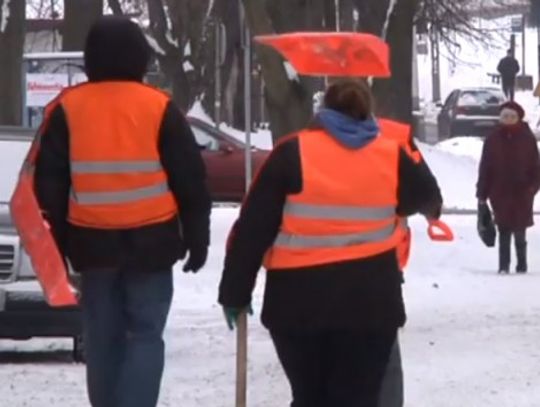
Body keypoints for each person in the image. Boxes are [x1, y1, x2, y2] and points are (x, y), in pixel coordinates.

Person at [218, 79, 442, 406]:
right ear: (368, 111)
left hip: (297, 305)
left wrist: (235, 293)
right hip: (371, 304)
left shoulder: (291, 152)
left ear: (323, 112)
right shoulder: (389, 154)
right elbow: (430, 200)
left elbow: (252, 229)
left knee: (309, 397)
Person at [34, 17, 211, 407]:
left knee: (100, 338)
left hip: (92, 246)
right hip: (153, 243)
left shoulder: (69, 109)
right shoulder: (159, 107)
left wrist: (59, 246)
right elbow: (191, 179)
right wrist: (198, 237)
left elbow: (50, 184)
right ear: (140, 58)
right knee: (146, 334)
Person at [477, 101, 540, 274]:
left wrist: (532, 188)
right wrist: (482, 193)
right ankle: (503, 266)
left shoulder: (527, 139)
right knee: (503, 229)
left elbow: (536, 167)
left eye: (512, 117)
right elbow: (485, 167)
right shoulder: (492, 139)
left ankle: (522, 265)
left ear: (518, 118)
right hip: (500, 192)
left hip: (522, 192)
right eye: (505, 116)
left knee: (520, 231)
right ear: (500, 118)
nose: (508, 120)